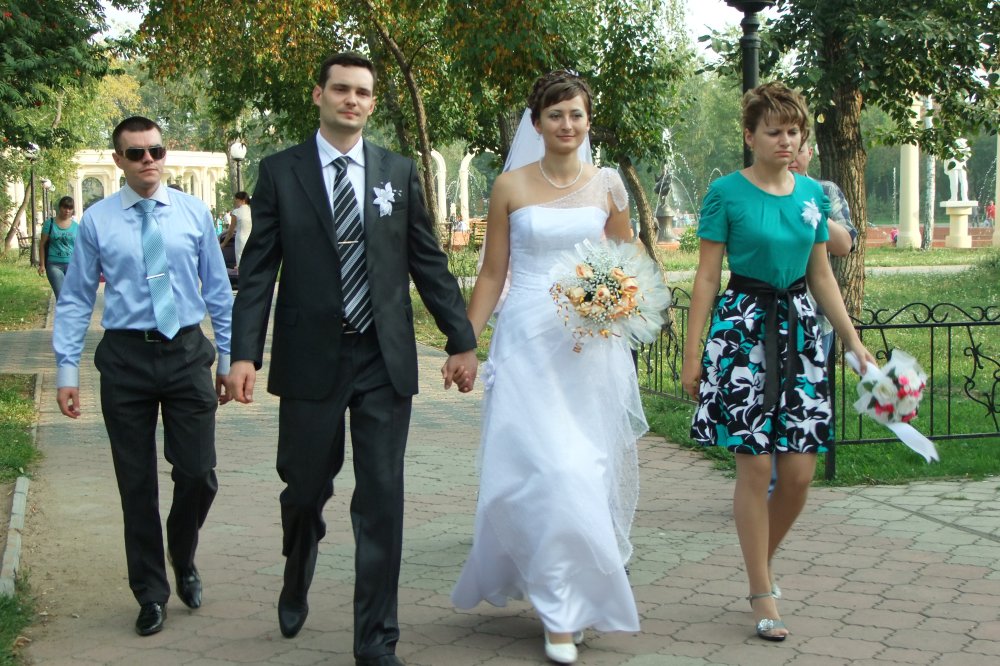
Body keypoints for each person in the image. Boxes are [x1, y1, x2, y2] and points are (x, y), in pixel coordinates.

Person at [225, 52, 477, 666]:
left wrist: (461, 338)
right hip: (310, 358)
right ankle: (298, 565)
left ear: (372, 102)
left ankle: (376, 641)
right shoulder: (280, 172)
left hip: (382, 359)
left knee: (382, 498)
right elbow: (257, 272)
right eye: (341, 89)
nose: (352, 100)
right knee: (304, 489)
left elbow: (427, 260)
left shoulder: (397, 171)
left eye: (363, 92)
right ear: (319, 95)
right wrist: (243, 356)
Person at [451, 70, 645, 665]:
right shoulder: (509, 186)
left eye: (576, 114)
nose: (567, 124)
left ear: (588, 121)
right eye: (555, 115)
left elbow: (627, 258)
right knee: (537, 471)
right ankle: (559, 605)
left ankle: (568, 602)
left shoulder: (608, 185)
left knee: (581, 469)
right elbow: (493, 273)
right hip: (526, 344)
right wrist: (464, 343)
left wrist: (616, 297)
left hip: (588, 347)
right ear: (536, 124)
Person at [680, 82, 874, 642]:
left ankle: (758, 559)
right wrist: (693, 355)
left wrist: (853, 341)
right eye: (773, 131)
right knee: (756, 467)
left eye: (793, 131)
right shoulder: (726, 194)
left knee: (799, 475)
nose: (786, 141)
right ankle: (761, 589)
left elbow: (822, 275)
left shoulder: (811, 195)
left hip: (801, 335)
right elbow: (707, 277)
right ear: (750, 136)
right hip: (743, 334)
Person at [52, 116, 234, 636]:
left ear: (164, 152)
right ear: (119, 161)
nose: (148, 160)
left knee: (198, 473)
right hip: (126, 359)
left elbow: (218, 290)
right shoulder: (97, 221)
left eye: (155, 150)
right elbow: (76, 298)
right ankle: (151, 593)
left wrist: (228, 357)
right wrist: (66, 369)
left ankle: (183, 551)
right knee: (136, 484)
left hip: (186, 354)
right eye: (135, 153)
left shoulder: (194, 213)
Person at [37, 196, 78, 298]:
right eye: (65, 207)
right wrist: (42, 265)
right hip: (54, 265)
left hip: (72, 265)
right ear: (60, 207)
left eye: (70, 208)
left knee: (72, 296)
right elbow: (42, 244)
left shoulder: (76, 226)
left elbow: (80, 247)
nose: (67, 211)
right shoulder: (49, 224)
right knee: (61, 296)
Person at [220, 191, 252, 268]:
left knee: (241, 263)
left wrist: (223, 244)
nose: (235, 202)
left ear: (242, 200)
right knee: (250, 263)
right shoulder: (252, 211)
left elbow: (230, 232)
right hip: (251, 240)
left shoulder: (236, 212)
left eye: (236, 200)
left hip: (240, 240)